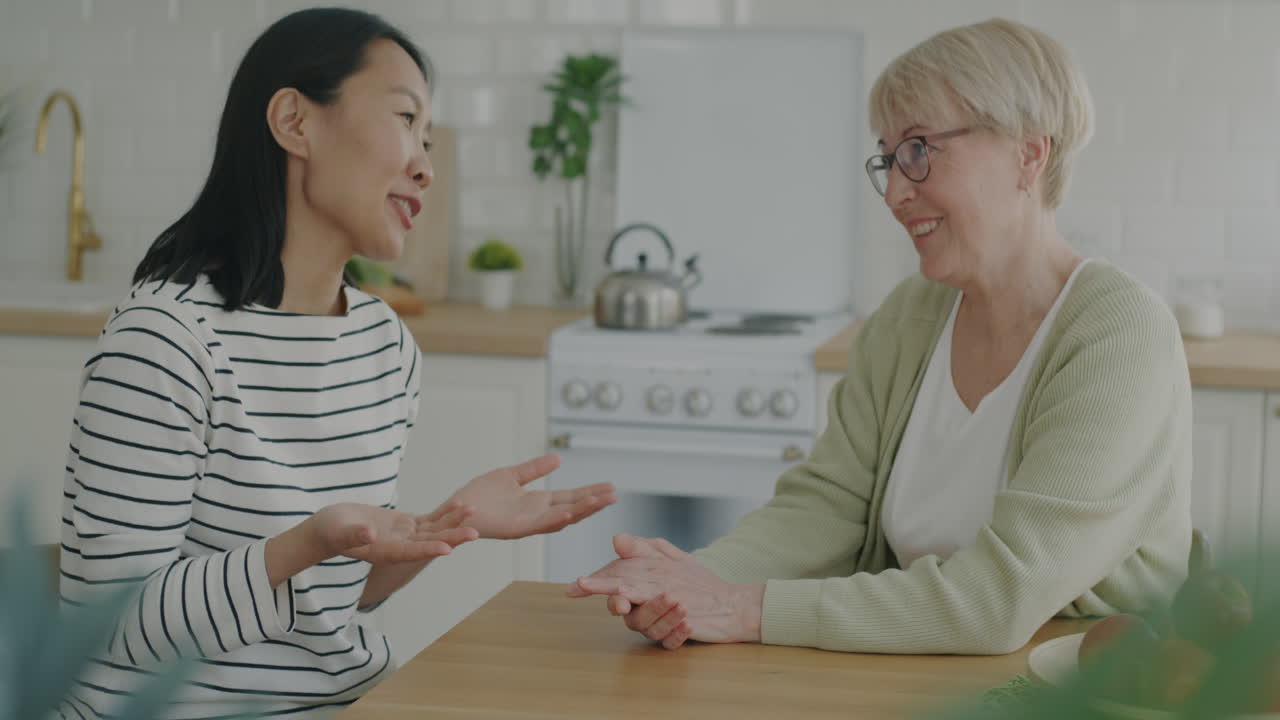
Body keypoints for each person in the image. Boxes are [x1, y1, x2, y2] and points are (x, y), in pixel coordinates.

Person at [568, 18, 1192, 655]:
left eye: (920, 151)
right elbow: (826, 511)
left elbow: (999, 598)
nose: (895, 192)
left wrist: (737, 607)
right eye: (889, 159)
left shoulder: (1119, 336)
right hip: (918, 675)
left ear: (1029, 153)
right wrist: (689, 583)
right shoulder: (910, 317)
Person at [57, 8, 615, 718]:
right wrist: (306, 541)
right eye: (405, 119)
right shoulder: (165, 343)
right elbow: (110, 621)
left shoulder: (383, 345)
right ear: (295, 122)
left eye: (429, 137)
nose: (426, 164)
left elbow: (331, 598)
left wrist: (444, 524)